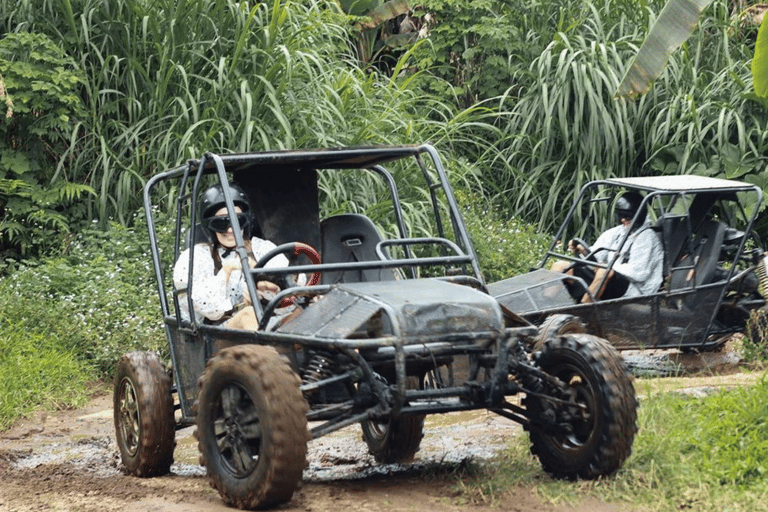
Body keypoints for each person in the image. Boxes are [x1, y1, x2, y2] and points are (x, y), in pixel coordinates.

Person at [173, 182, 290, 330]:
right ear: (210, 227)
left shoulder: (262, 248)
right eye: (221, 223)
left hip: (272, 322)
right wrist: (227, 271)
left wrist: (265, 286)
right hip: (218, 334)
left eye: (237, 221)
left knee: (307, 310)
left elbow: (290, 286)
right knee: (249, 315)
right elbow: (208, 309)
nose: (230, 229)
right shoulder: (196, 257)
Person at [552, 191, 664, 302]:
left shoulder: (647, 237)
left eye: (627, 216)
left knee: (605, 272)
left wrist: (608, 266)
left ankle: (582, 313)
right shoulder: (617, 232)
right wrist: (582, 250)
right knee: (561, 266)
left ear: (638, 215)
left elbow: (638, 273)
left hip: (637, 291)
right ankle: (543, 310)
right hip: (613, 282)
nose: (623, 220)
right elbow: (596, 255)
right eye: (621, 215)